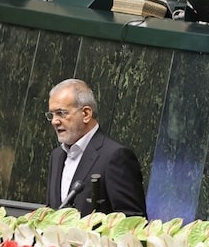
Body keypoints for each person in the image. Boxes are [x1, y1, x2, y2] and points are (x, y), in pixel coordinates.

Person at [45, 78, 147, 218]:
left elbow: (133, 219)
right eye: (52, 115)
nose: (55, 121)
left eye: (61, 113)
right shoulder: (56, 156)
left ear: (86, 114)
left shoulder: (116, 156)